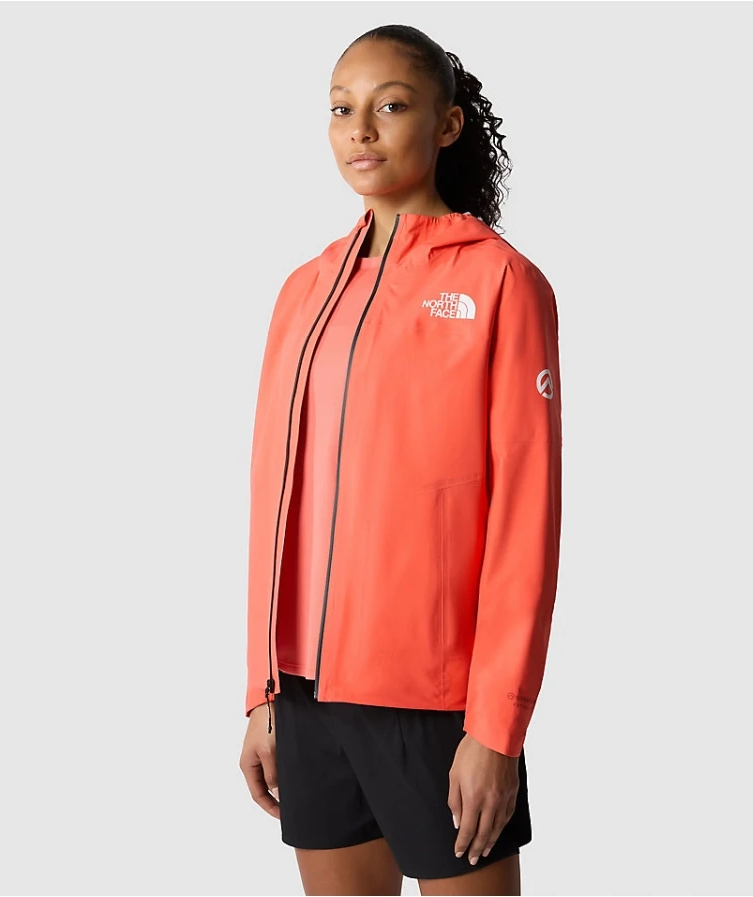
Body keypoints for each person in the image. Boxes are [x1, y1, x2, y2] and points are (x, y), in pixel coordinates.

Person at [239, 24, 563, 897]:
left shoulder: (500, 282)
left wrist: (495, 725)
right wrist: (261, 689)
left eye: (389, 106)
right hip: (304, 694)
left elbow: (525, 515)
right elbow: (276, 501)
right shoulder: (303, 290)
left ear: (446, 124)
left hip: (437, 703)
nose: (359, 130)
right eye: (340, 108)